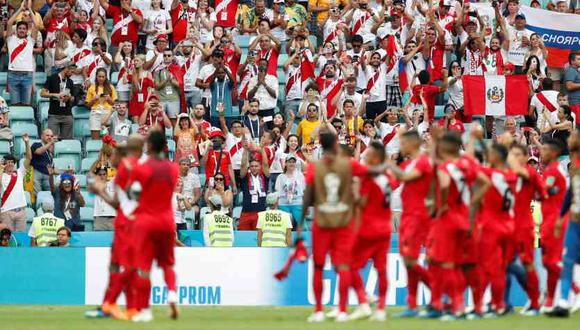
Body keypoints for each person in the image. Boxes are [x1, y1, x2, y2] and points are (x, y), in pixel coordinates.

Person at [298, 128, 375, 323]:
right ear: (335, 144)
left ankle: (318, 311)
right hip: (344, 222)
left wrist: (300, 222)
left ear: (321, 146)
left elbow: (308, 194)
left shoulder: (315, 167)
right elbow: (370, 175)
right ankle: (342, 310)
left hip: (322, 222)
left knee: (318, 266)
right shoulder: (349, 164)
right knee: (344, 265)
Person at [86, 134, 144, 320]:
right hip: (123, 224)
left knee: (126, 266)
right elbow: (118, 203)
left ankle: (120, 305)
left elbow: (130, 204)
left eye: (116, 152)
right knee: (115, 264)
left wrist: (100, 192)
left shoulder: (133, 173)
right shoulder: (122, 174)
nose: (111, 156)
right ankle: (114, 305)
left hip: (131, 225)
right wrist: (100, 191)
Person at [128, 130, 179, 322]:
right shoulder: (173, 168)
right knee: (167, 263)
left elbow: (133, 193)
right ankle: (172, 292)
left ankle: (145, 310)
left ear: (149, 146)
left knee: (144, 267)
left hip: (146, 221)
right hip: (166, 221)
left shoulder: (142, 168)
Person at [348, 141, 397, 321]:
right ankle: (381, 309)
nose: (364, 157)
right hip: (385, 228)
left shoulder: (367, 178)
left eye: (367, 154)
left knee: (349, 265)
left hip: (369, 229)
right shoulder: (388, 177)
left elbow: (361, 202)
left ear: (375, 157)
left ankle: (362, 302)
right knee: (382, 269)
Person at [387, 130, 434, 317]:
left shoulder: (422, 161)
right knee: (409, 262)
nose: (401, 146)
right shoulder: (409, 163)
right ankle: (412, 304)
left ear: (413, 144)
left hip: (418, 216)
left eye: (403, 142)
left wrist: (388, 164)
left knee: (410, 260)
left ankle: (439, 294)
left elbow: (406, 178)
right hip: (407, 215)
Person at [508, 143, 545, 316]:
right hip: (508, 226)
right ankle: (504, 303)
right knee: (505, 264)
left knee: (527, 263)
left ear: (523, 157)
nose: (513, 158)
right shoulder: (509, 174)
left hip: (523, 226)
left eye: (516, 154)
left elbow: (543, 193)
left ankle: (535, 301)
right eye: (511, 154)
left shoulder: (528, 173)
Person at [548, 129, 580, 317]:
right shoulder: (573, 164)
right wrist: (561, 216)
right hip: (575, 220)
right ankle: (562, 303)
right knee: (567, 260)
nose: (570, 140)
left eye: (574, 136)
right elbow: (570, 193)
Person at [540, 138, 568, 313]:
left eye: (544, 150)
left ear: (554, 153)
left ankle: (573, 289)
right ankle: (550, 301)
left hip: (554, 221)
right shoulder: (553, 169)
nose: (541, 153)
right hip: (550, 220)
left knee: (552, 262)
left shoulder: (552, 172)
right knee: (548, 261)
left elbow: (543, 191)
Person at [0, 135, 31, 232]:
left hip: (21, 211)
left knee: (20, 238)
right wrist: (1, 169)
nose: (10, 164)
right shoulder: (2, 175)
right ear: (4, 164)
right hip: (6, 212)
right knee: (7, 238)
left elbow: (29, 158)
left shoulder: (19, 172)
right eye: (7, 162)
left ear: (14, 164)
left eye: (12, 162)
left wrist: (26, 143)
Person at [6, 9, 38, 105]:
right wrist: (20, 9)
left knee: (26, 105)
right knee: (15, 105)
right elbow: (9, 23)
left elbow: (36, 25)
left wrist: (29, 8)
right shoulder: (11, 39)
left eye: (24, 28)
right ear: (16, 30)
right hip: (13, 75)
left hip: (27, 75)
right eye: (20, 28)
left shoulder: (30, 41)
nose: (22, 30)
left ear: (27, 30)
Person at [238, 143, 271, 231]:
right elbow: (243, 165)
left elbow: (265, 164)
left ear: (260, 167)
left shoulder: (264, 176)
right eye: (252, 166)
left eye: (256, 166)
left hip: (260, 213)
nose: (254, 168)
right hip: (246, 212)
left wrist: (262, 149)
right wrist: (245, 150)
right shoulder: (245, 177)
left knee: (259, 239)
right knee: (243, 237)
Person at [41, 62, 76, 140]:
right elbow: (42, 93)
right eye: (72, 72)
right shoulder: (52, 78)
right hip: (54, 114)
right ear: (66, 69)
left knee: (67, 141)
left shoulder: (70, 82)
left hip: (67, 114)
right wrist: (55, 95)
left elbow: (73, 97)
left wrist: (69, 98)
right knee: (51, 140)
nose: (72, 74)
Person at [153, 49, 185, 126]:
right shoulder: (158, 69)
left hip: (174, 99)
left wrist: (173, 82)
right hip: (161, 99)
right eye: (165, 55)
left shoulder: (177, 68)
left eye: (169, 55)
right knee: (160, 121)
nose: (166, 57)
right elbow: (156, 87)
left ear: (172, 57)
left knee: (174, 122)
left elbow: (181, 86)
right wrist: (166, 80)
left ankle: (174, 138)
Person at [86, 68, 118, 140]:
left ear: (106, 77)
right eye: (99, 76)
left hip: (108, 113)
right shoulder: (91, 87)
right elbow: (87, 105)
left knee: (108, 139)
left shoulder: (111, 87)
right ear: (96, 77)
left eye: (103, 77)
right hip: (95, 113)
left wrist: (109, 99)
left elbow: (115, 104)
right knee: (95, 139)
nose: (101, 78)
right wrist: (93, 100)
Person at [274, 154, 305, 226]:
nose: (291, 163)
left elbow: (304, 191)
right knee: (284, 226)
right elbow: (278, 193)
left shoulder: (300, 175)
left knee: (303, 226)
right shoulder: (280, 177)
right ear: (286, 163)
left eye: (293, 162)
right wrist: (275, 206)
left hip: (297, 202)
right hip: (283, 203)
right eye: (289, 162)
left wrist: (305, 205)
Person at [247, 59, 279, 129]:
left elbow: (275, 95)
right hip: (255, 112)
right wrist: (258, 83)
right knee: (255, 130)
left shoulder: (273, 79)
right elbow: (249, 96)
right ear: (258, 66)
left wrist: (264, 83)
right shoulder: (253, 79)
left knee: (268, 131)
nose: (262, 66)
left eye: (264, 64)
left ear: (267, 67)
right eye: (260, 64)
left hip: (268, 112)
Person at [30, 129, 55, 194]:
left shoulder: (50, 151)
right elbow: (38, 152)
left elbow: (52, 168)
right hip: (36, 173)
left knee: (50, 196)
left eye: (52, 136)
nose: (50, 137)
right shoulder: (36, 144)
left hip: (47, 175)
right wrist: (50, 143)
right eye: (47, 135)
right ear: (42, 136)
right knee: (37, 196)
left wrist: (65, 171)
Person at [93, 166, 117, 231]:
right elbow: (90, 173)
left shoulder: (113, 183)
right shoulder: (94, 185)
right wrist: (98, 160)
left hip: (113, 218)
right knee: (98, 239)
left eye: (104, 174)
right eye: (100, 174)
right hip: (99, 219)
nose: (102, 176)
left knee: (113, 240)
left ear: (107, 175)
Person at [564, 52, 580, 124]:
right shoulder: (571, 71)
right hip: (575, 102)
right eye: (579, 59)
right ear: (572, 61)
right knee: (577, 125)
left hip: (577, 102)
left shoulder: (575, 71)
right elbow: (569, 86)